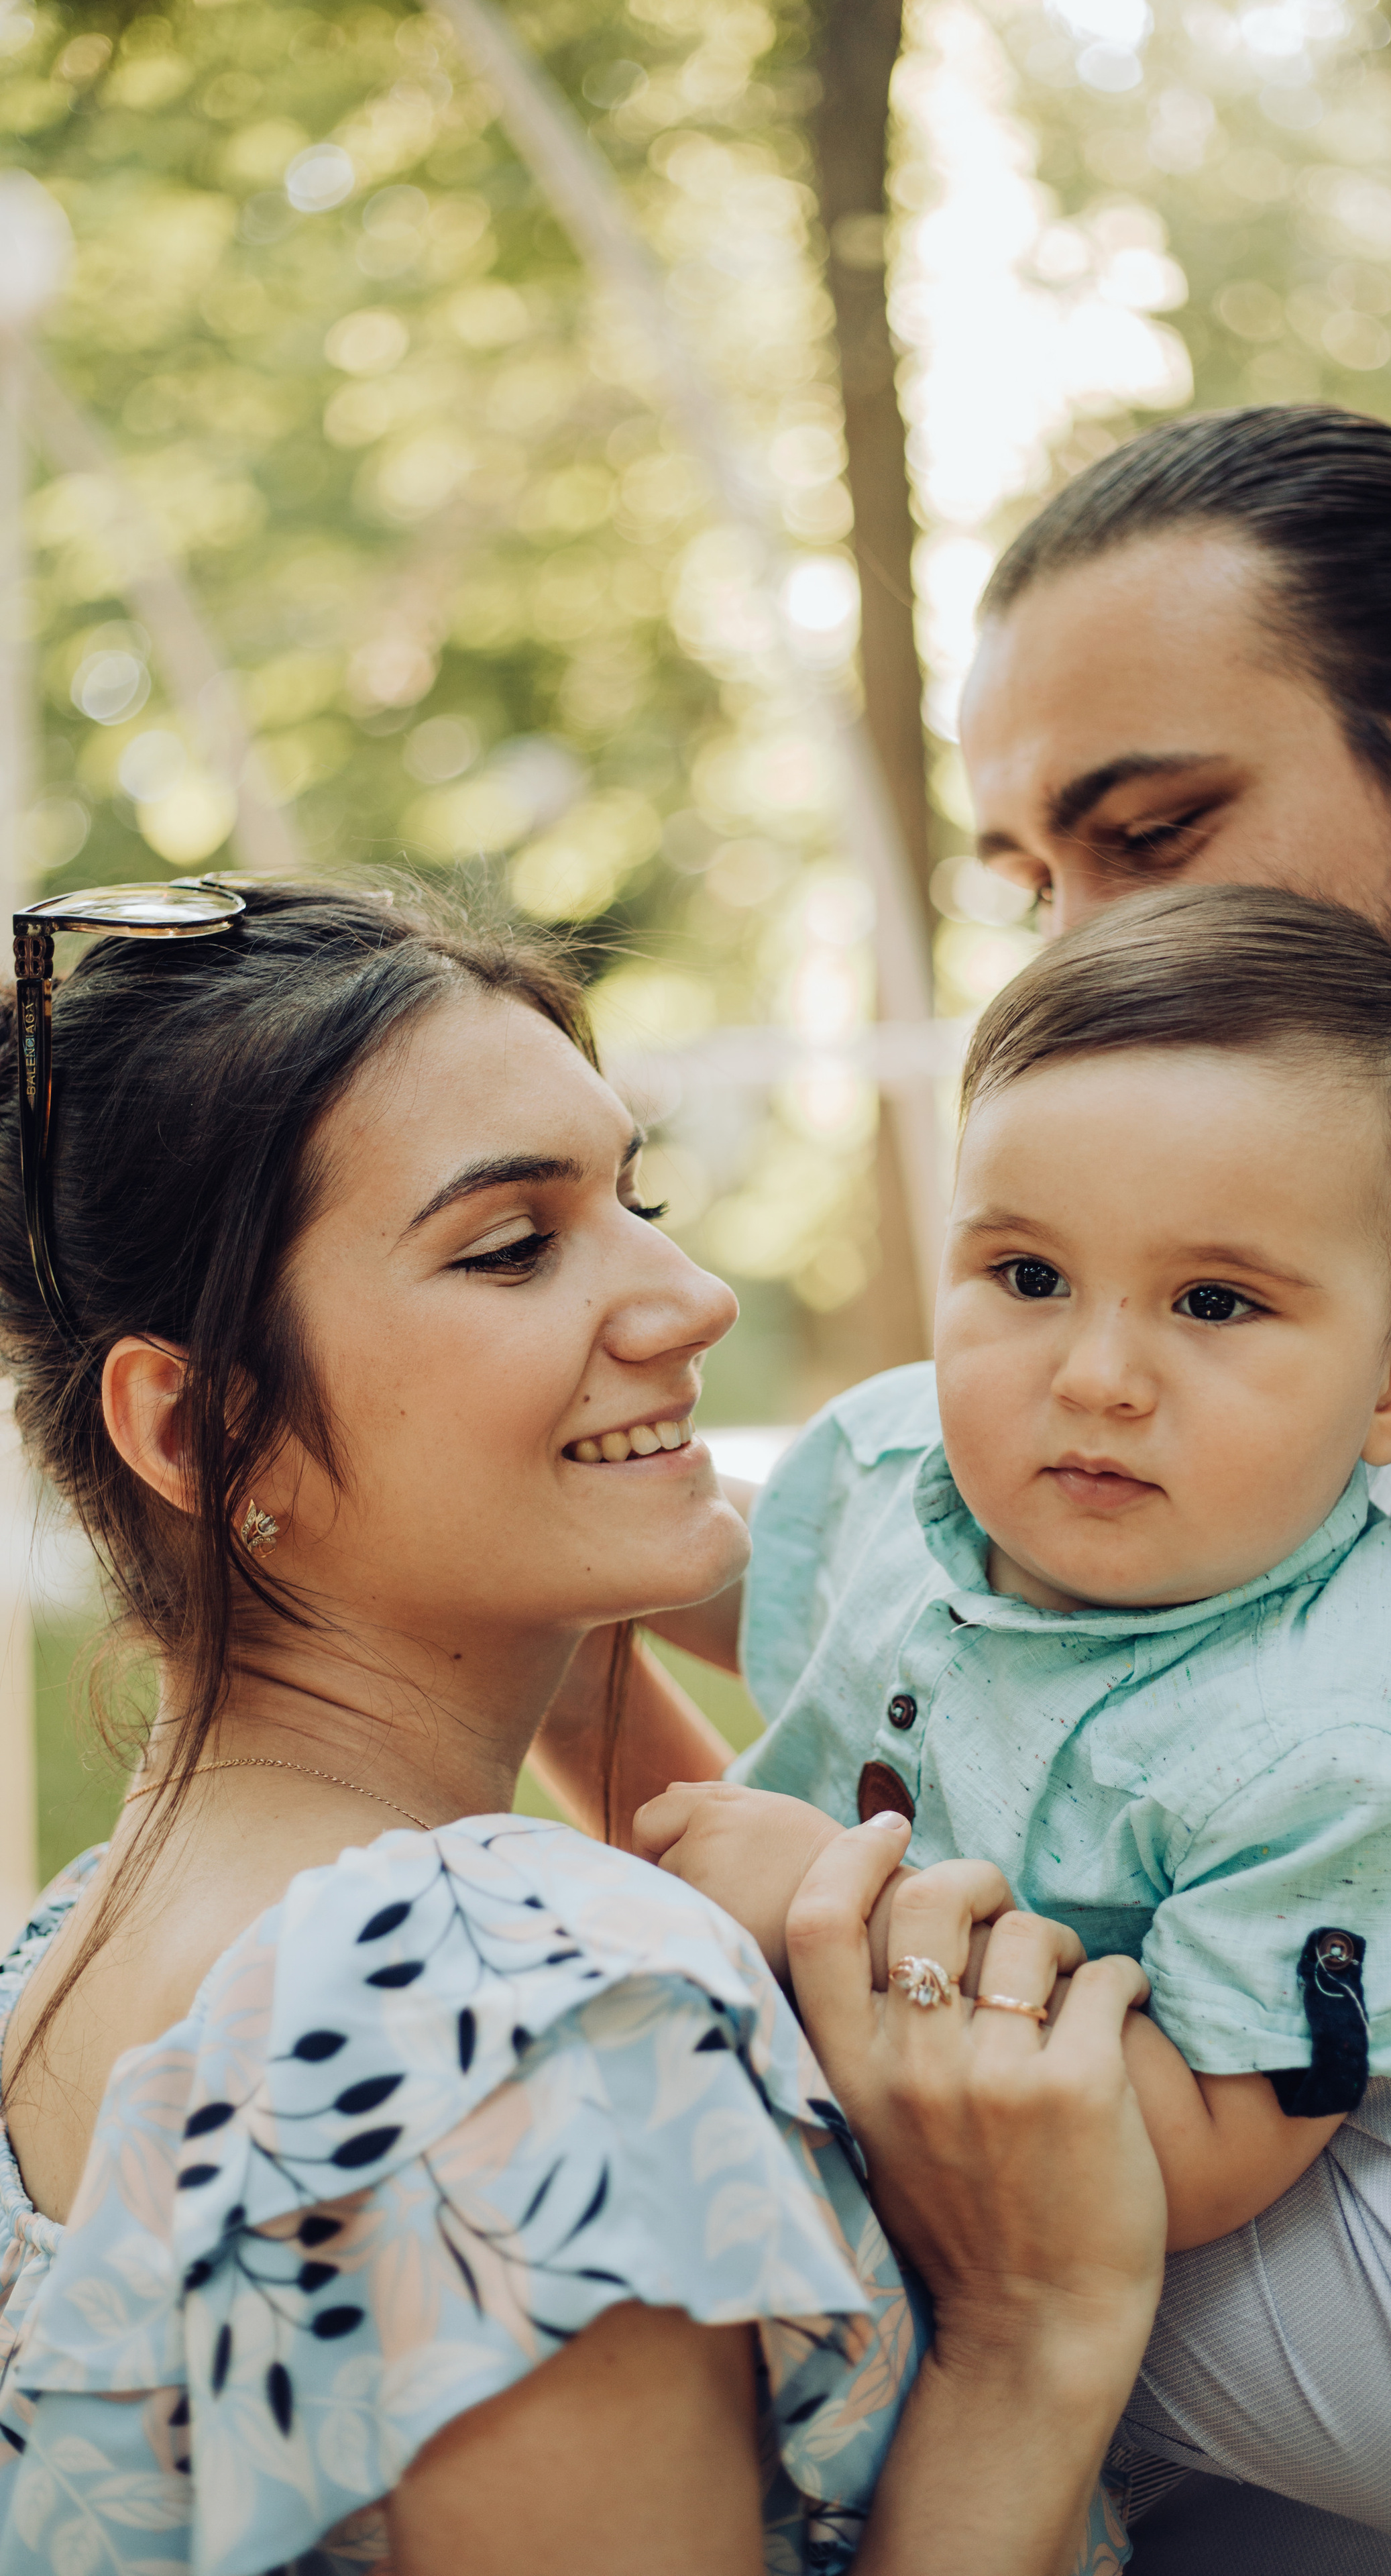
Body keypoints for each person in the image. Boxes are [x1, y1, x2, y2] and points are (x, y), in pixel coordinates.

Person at [536, 406, 1391, 2569]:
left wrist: (754, 2067)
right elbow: (848, 1550)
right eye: (1030, 887)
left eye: (1151, 837)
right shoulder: (1310, 1289)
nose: (1069, 958)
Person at [0, 883, 1164, 2576]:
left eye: (639, 1197)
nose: (688, 1299)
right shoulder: (522, 2017)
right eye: (511, 1247)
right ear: (196, 1423)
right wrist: (1025, 2332)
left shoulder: (62, 1956)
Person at [634, 886, 1391, 2260]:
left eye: (1212, 1303)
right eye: (1027, 1276)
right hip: (652, 2094)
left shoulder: (1333, 1746)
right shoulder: (894, 1450)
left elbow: (1203, 2150)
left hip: (867, 2300)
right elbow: (760, 1585)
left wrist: (829, 1912)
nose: (1094, 1379)